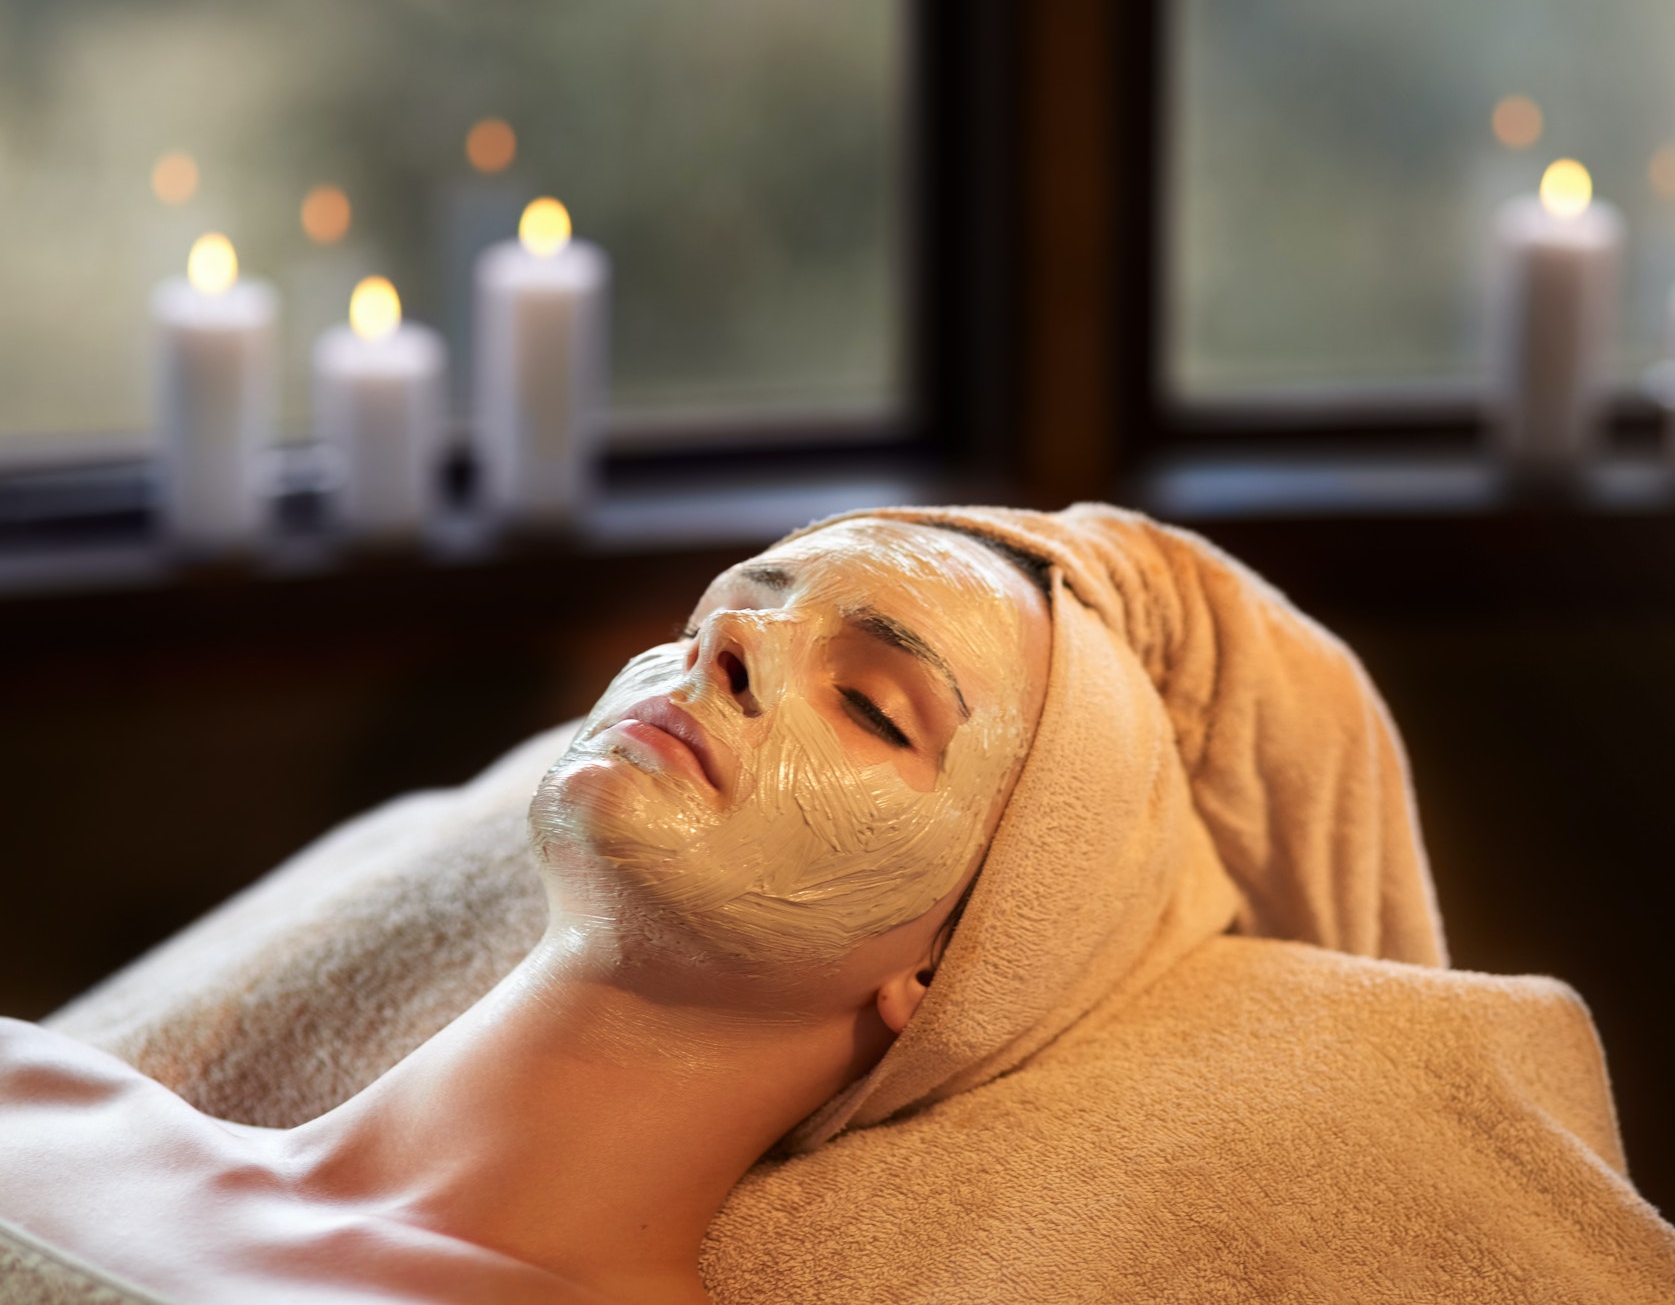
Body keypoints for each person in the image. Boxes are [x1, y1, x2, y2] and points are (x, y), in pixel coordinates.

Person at [0, 517, 1054, 1305]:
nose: (726, 636)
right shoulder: (29, 1099)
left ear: (949, 970)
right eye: (708, 613)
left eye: (872, 705)